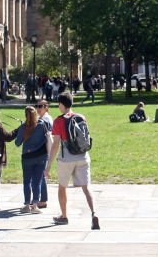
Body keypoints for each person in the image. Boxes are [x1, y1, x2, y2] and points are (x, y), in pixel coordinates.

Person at [46, 92, 97, 228]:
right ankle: (94, 212)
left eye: (59, 104)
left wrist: (48, 166)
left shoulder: (58, 121)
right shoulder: (81, 117)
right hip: (83, 156)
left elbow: (56, 144)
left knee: (62, 187)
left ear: (62, 105)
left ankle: (64, 216)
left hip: (66, 158)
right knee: (86, 188)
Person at [15, 105, 52, 213]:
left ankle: (27, 204)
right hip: (41, 157)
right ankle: (35, 205)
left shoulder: (23, 126)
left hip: (27, 157)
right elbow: (47, 138)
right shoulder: (42, 125)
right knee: (37, 181)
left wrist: (21, 131)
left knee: (27, 181)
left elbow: (17, 143)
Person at [36, 100, 54, 208]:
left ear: (46, 107)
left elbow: (48, 137)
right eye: (37, 106)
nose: (38, 108)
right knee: (40, 176)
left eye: (41, 106)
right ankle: (38, 199)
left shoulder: (46, 120)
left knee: (42, 175)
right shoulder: (41, 119)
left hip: (45, 151)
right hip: (42, 151)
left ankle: (42, 201)